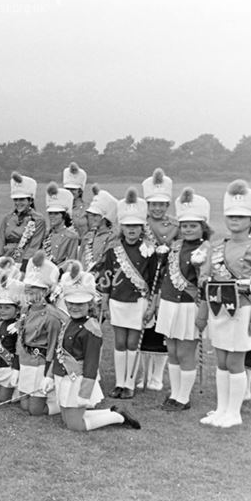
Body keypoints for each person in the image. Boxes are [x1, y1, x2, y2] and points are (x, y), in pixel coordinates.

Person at [198, 180, 251, 428]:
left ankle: (234, 413)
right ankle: (221, 409)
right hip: (219, 310)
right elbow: (206, 284)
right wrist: (203, 314)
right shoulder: (217, 247)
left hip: (243, 311)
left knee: (236, 362)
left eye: (241, 216)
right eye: (231, 216)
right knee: (221, 361)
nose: (235, 220)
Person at [50, 276, 140, 432]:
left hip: (77, 380)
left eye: (80, 304)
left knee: (75, 425)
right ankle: (110, 411)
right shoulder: (68, 322)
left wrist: (84, 394)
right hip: (64, 377)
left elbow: (91, 365)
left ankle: (119, 417)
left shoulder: (91, 328)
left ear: (89, 304)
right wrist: (49, 376)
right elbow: (59, 351)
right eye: (71, 303)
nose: (74, 307)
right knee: (66, 419)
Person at [98, 189, 158, 399]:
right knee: (120, 343)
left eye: (135, 225)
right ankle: (119, 382)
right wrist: (104, 304)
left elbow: (154, 281)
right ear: (120, 227)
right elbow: (105, 280)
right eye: (127, 225)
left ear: (142, 227)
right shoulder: (113, 251)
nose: (131, 229)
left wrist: (152, 306)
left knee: (133, 343)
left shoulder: (150, 250)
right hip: (117, 301)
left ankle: (130, 384)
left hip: (138, 302)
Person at [155, 188, 211, 411]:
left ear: (203, 227)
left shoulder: (205, 249)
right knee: (172, 351)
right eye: (185, 225)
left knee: (186, 352)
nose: (188, 229)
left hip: (189, 306)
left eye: (193, 225)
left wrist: (203, 314)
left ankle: (183, 398)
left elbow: (205, 284)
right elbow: (166, 277)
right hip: (169, 304)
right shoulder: (175, 246)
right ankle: (174, 393)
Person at [138, 168, 180, 392]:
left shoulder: (175, 226)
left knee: (162, 331)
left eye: (162, 204)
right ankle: (142, 374)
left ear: (168, 205)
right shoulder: (139, 224)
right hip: (142, 281)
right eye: (153, 204)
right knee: (143, 328)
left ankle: (157, 376)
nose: (157, 208)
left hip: (166, 284)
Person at [16, 252, 65, 415]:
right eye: (28, 286)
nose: (28, 289)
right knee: (24, 406)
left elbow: (54, 347)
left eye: (34, 287)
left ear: (44, 292)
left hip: (41, 365)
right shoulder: (25, 309)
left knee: (35, 410)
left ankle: (65, 403)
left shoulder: (52, 316)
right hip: (26, 361)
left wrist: (48, 375)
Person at [0, 172, 46, 267]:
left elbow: (34, 246)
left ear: (30, 200)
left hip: (25, 263)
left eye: (22, 199)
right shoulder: (7, 218)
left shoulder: (38, 220)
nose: (18, 203)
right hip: (6, 260)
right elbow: (1, 241)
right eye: (16, 199)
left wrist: (24, 266)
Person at [79, 185, 118, 273]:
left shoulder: (113, 236)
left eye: (95, 215)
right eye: (90, 214)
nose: (91, 218)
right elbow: (79, 259)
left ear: (105, 217)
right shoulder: (88, 236)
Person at [42, 183, 80, 266]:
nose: (52, 216)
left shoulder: (71, 236)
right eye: (50, 213)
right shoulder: (47, 234)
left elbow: (71, 261)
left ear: (64, 215)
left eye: (56, 214)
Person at [62, 163, 90, 237]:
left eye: (73, 189)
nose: (70, 191)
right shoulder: (60, 208)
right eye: (67, 189)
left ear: (80, 191)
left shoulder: (88, 208)